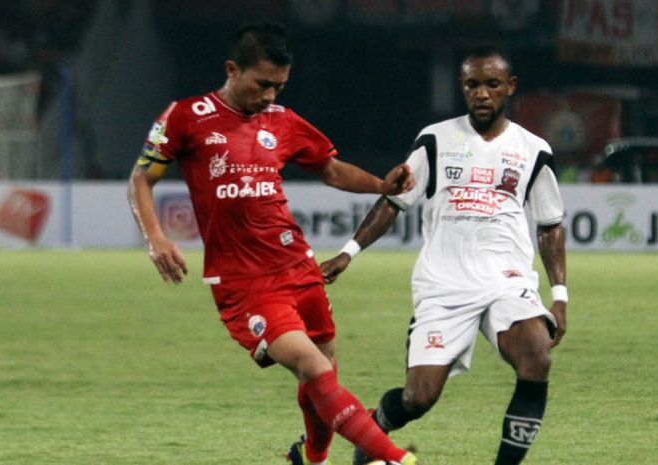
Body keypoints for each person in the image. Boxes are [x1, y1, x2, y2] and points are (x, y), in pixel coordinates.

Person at [127, 22, 421, 465]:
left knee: (322, 376)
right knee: (315, 370)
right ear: (232, 69)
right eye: (262, 84)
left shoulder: (281, 121)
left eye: (279, 87)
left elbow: (330, 168)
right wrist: (155, 237)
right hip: (245, 283)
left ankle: (312, 458)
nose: (270, 96)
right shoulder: (186, 116)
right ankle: (394, 458)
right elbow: (141, 178)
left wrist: (380, 183)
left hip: (299, 267)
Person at [321, 46, 567, 465]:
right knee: (419, 399)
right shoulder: (436, 140)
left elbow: (550, 225)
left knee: (536, 357)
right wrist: (348, 253)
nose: (483, 94)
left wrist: (559, 295)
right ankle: (374, 430)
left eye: (492, 84)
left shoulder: (534, 149)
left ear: (511, 87)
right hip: (444, 285)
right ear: (462, 87)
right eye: (473, 84)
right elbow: (394, 202)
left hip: (506, 280)